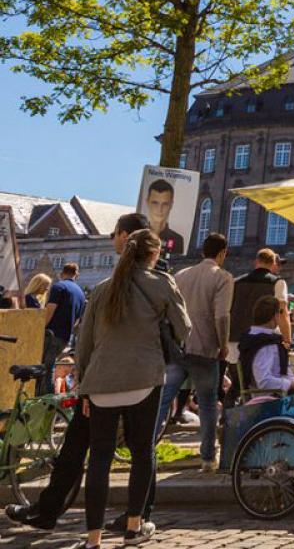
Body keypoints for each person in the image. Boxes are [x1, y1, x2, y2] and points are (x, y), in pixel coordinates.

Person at [5, 213, 157, 536]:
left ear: (126, 236)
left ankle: (131, 517)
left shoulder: (139, 278)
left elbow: (89, 336)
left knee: (118, 447)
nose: (113, 240)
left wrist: (86, 381)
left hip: (116, 377)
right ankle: (124, 517)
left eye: (115, 234)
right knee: (95, 445)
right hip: (132, 377)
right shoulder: (143, 276)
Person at [75, 229, 191, 549]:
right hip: (143, 378)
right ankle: (134, 526)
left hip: (100, 381)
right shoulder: (161, 283)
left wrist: (84, 387)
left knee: (98, 458)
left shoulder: (101, 289)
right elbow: (184, 329)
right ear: (154, 255)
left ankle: (93, 538)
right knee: (142, 451)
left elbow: (84, 343)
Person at [170, 232, 232, 472]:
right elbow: (222, 315)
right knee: (207, 405)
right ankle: (207, 458)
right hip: (206, 349)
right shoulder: (223, 278)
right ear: (222, 253)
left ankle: (144, 451)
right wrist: (223, 343)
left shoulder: (181, 275)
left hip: (179, 347)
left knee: (164, 400)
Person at [228, 249, 289, 369]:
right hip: (263, 339)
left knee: (238, 377)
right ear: (273, 263)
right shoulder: (278, 282)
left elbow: (228, 308)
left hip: (236, 337)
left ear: (256, 262)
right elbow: (283, 313)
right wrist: (287, 339)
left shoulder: (236, 282)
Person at [239, 295, 294, 396]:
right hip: (277, 399)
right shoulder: (265, 343)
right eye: (280, 312)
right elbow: (264, 381)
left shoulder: (252, 337)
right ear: (275, 316)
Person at [38, 263, 86, 397]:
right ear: (76, 275)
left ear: (62, 273)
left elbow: (50, 310)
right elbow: (77, 320)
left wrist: (41, 329)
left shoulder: (59, 286)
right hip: (64, 337)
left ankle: (47, 404)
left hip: (51, 334)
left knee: (44, 370)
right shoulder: (81, 294)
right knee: (50, 368)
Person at [142, 178, 185, 259]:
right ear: (147, 202)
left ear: (171, 205)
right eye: (155, 203)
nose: (159, 209)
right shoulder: (139, 236)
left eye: (165, 204)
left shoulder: (177, 240)